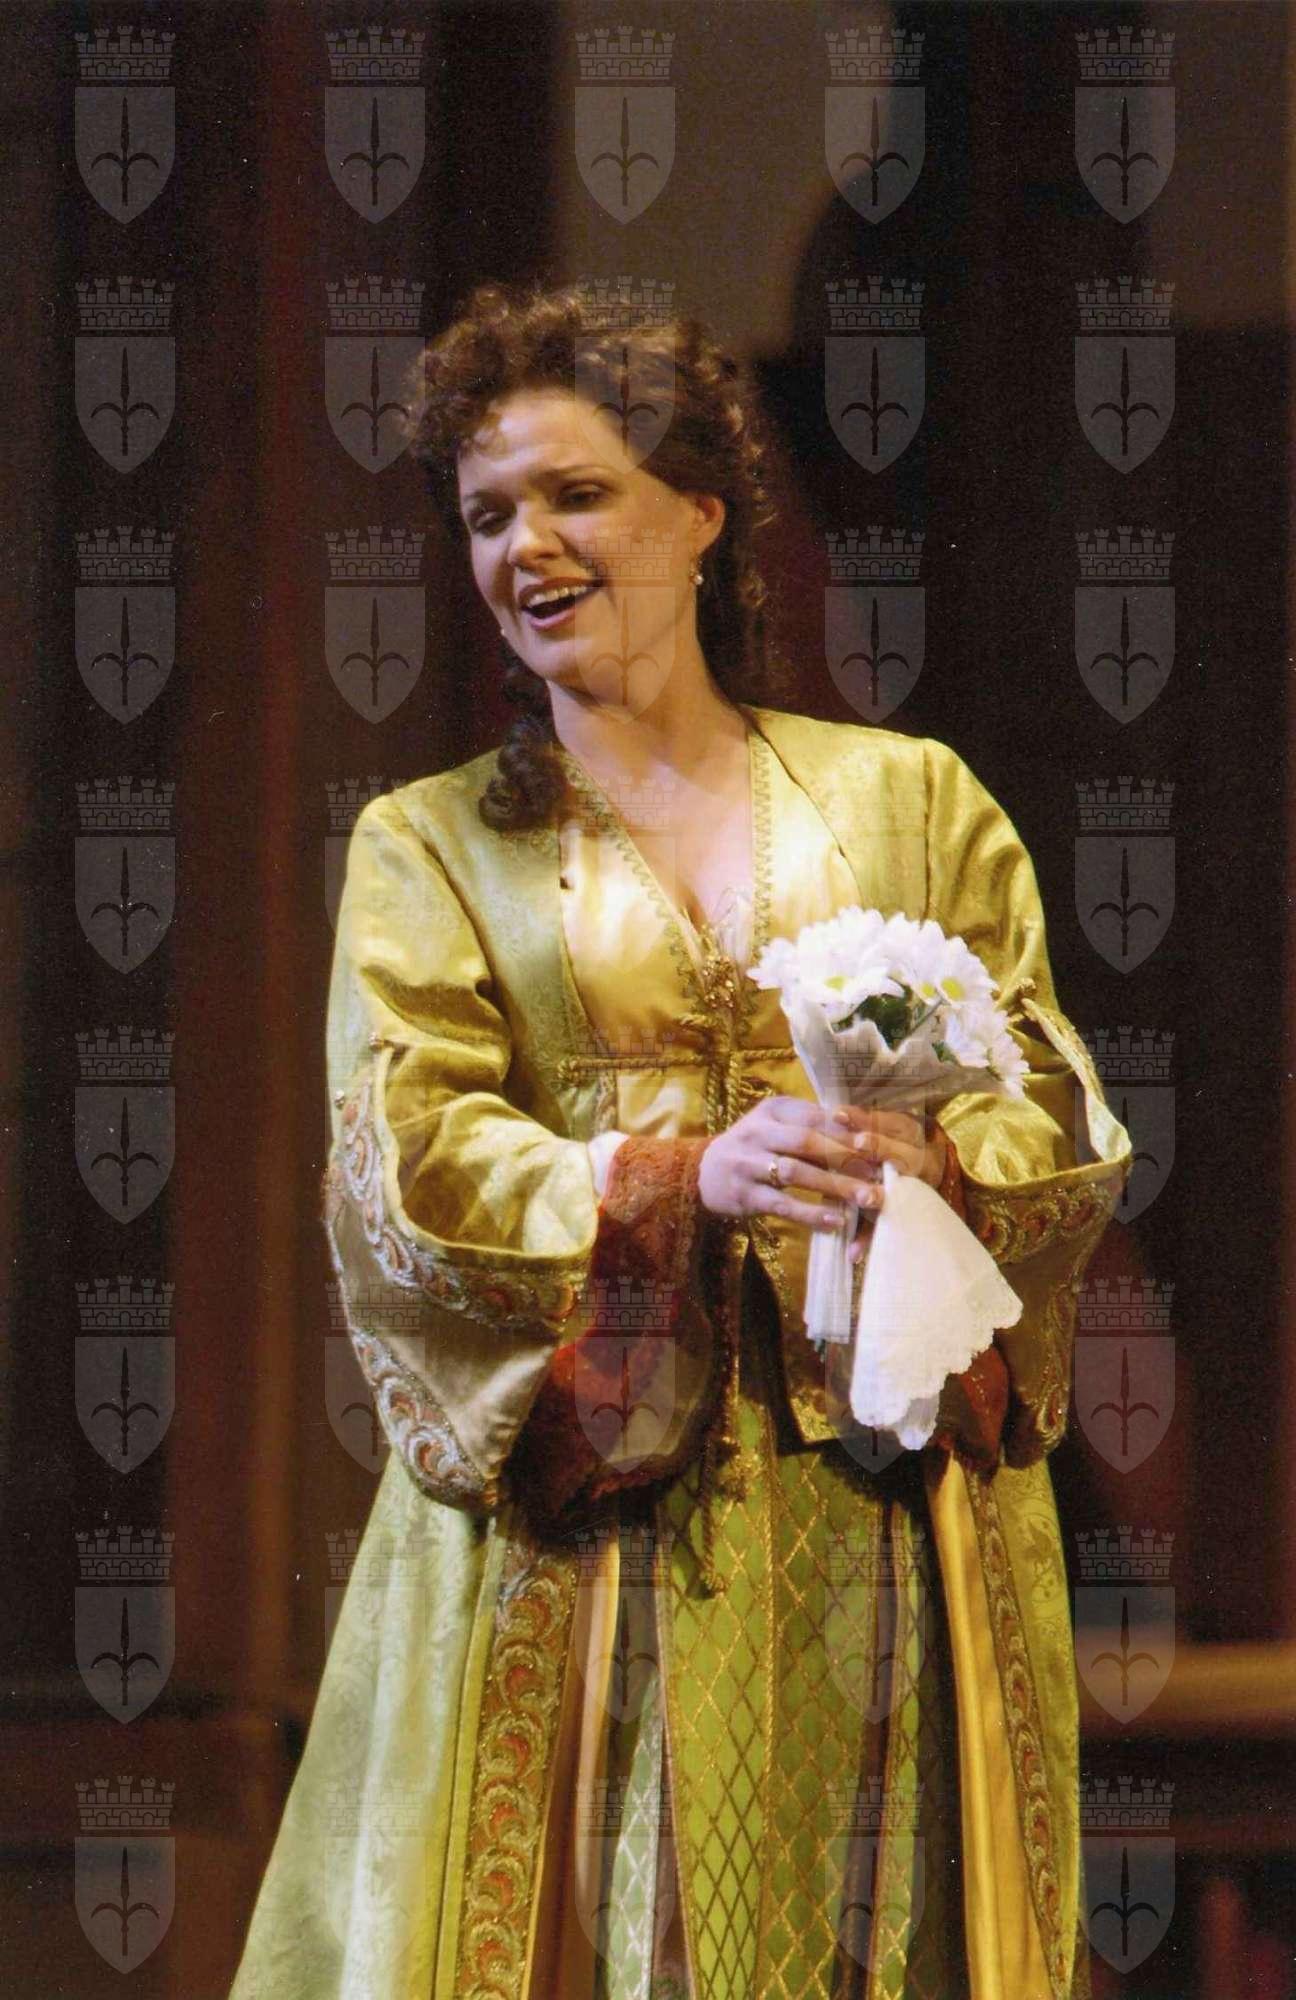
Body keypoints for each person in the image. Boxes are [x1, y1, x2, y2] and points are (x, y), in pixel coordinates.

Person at [229, 281, 1130, 2000]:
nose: (528, 547)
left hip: (876, 1491)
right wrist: (671, 1179)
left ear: (702, 514)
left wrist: (942, 1168)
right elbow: (404, 1159)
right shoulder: (432, 844)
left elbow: (1053, 1097)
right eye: (488, 515)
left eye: (577, 494)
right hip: (593, 1502)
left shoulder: (908, 800)